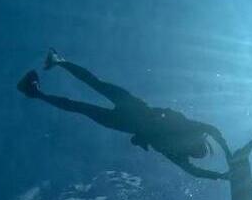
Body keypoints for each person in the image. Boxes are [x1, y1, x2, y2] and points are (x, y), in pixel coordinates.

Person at [17, 49, 230, 180]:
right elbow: (212, 133)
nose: (193, 148)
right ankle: (53, 69)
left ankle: (43, 84)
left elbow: (204, 151)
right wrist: (227, 164)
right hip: (133, 112)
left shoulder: (180, 147)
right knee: (88, 95)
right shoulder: (187, 132)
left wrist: (224, 171)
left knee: (86, 98)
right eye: (197, 148)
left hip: (130, 116)